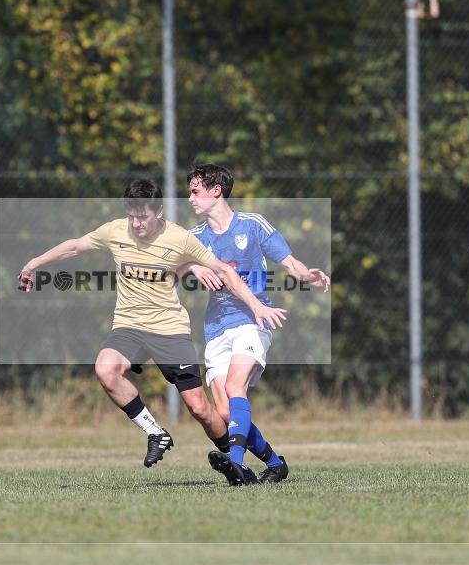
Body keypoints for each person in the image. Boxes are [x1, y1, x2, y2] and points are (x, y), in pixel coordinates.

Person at [18, 179, 287, 468]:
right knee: (105, 369)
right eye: (131, 216)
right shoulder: (115, 230)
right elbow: (74, 247)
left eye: (142, 216)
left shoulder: (179, 237)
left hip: (169, 330)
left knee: (202, 410)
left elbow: (222, 270)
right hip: (129, 325)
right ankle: (155, 432)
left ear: (158, 211)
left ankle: (248, 462)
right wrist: (34, 263)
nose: (135, 223)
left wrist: (254, 304)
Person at [178, 164, 330, 485]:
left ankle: (235, 463)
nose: (189, 197)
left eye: (195, 191)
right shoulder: (195, 237)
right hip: (216, 328)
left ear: (216, 190)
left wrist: (304, 275)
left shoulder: (252, 224)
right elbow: (171, 270)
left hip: (253, 319)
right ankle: (275, 464)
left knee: (236, 387)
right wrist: (191, 268)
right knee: (224, 414)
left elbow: (288, 261)